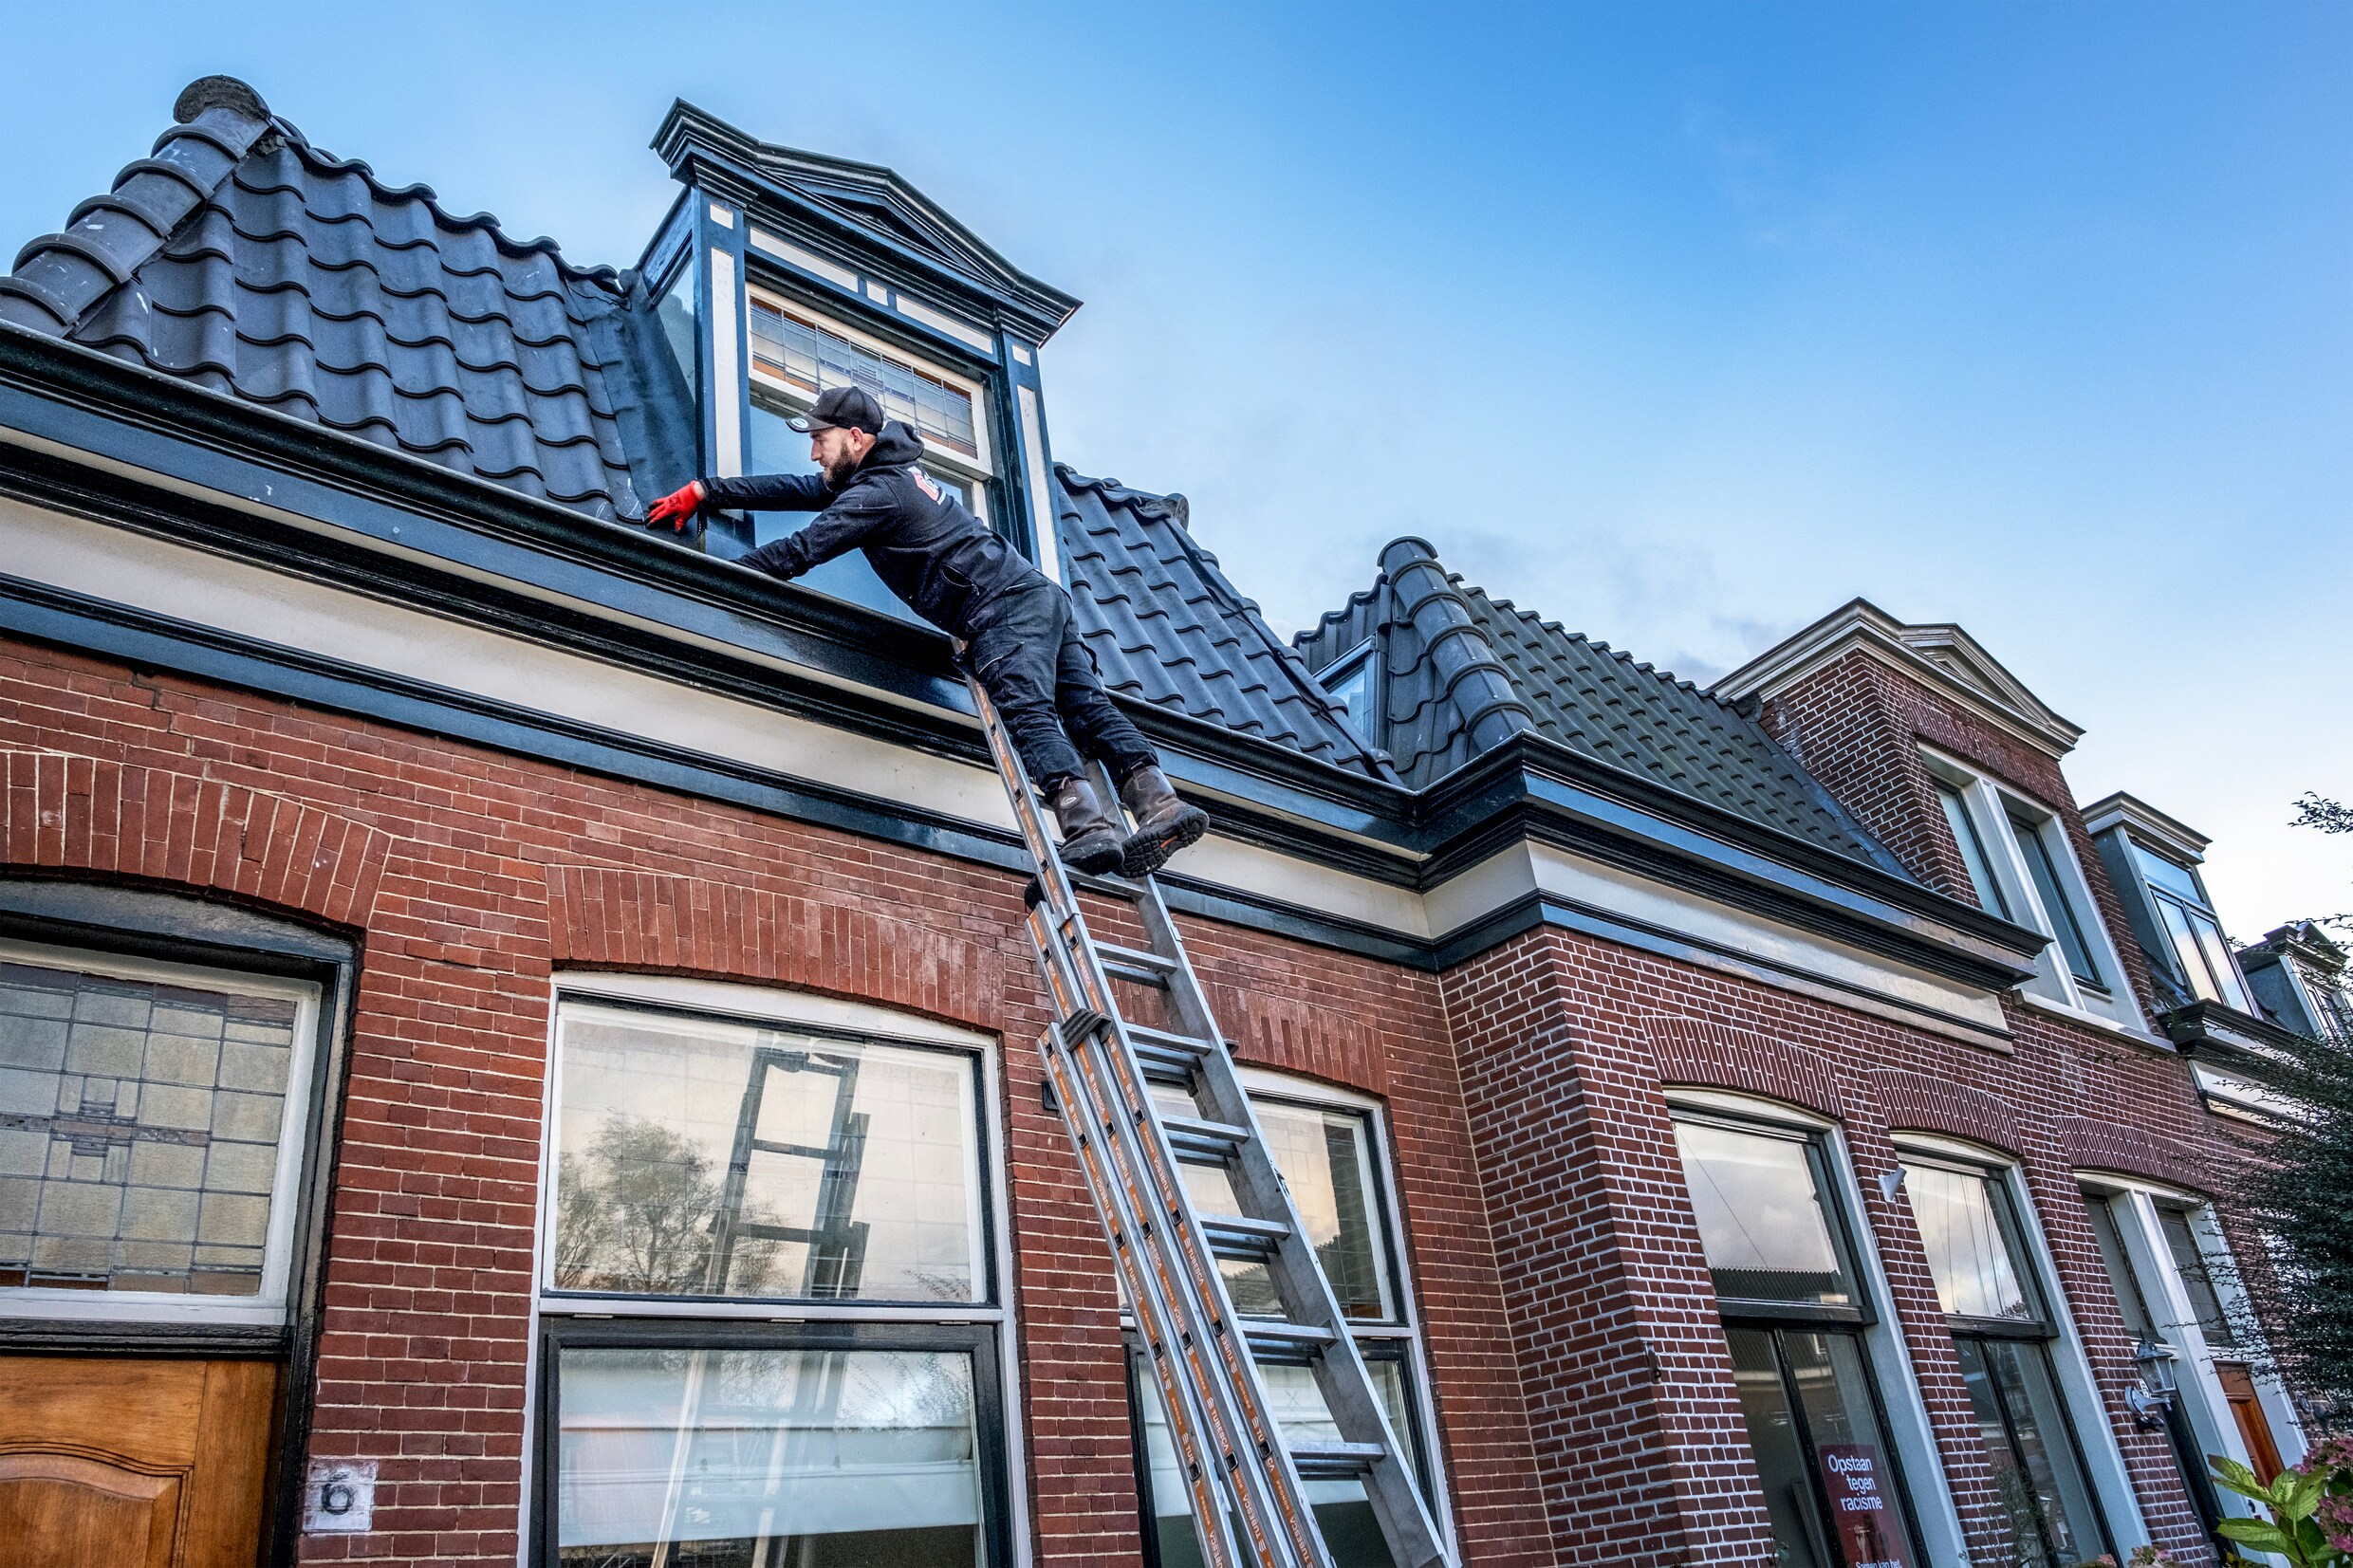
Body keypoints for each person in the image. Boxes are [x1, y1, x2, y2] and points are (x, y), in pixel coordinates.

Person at [644, 384, 1207, 879]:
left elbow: (801, 550)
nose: (814, 450)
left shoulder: (877, 494)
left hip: (998, 609)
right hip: (1040, 596)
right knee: (1085, 707)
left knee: (1028, 711)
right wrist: (707, 492)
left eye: (821, 438)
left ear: (856, 438)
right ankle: (1159, 804)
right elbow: (801, 487)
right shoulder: (891, 477)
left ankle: (1087, 828)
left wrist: (712, 576)